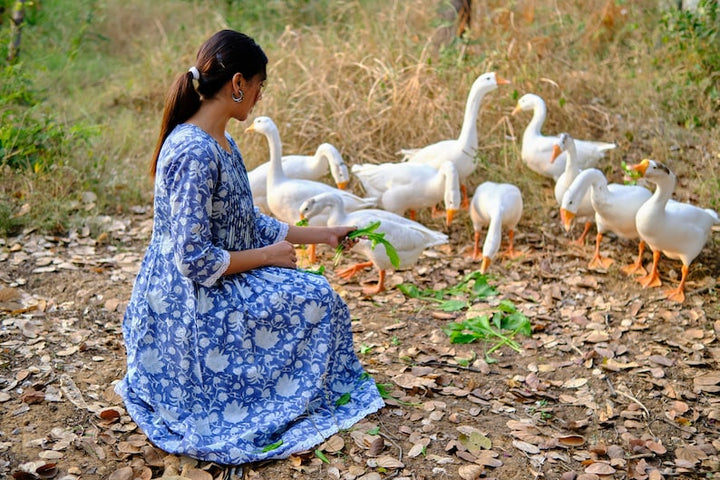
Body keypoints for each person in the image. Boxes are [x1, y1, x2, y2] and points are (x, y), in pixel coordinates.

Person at [115, 29, 384, 465]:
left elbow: (245, 220)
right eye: (260, 86)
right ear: (238, 83)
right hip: (189, 303)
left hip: (214, 280)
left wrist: (324, 234)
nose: (260, 97)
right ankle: (267, 396)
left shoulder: (223, 142)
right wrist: (269, 257)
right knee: (317, 298)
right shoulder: (194, 152)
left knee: (315, 295)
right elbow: (192, 258)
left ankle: (289, 389)